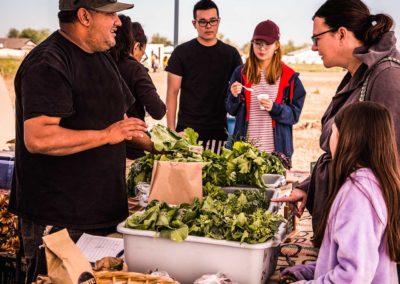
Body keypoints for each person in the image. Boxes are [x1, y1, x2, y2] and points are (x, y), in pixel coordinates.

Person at [8, 1, 153, 282]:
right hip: (59, 222)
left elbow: (121, 122)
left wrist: (161, 147)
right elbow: (38, 137)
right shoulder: (48, 62)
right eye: (110, 14)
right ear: (84, 16)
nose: (119, 22)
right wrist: (106, 135)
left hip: (101, 217)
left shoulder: (101, 56)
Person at [272, 0, 400, 230]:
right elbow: (345, 153)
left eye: (316, 38)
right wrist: (308, 187)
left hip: (363, 234)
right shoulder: (358, 74)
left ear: (341, 34)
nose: (313, 47)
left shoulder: (387, 77)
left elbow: (388, 165)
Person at [280, 102, 400, 283]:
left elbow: (352, 276)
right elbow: (355, 259)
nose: (329, 140)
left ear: (348, 138)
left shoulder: (359, 195)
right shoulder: (376, 182)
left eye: (333, 132)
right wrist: (310, 271)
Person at [166, 0, 242, 154]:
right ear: (194, 23)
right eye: (203, 22)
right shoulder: (181, 53)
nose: (208, 26)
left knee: (213, 177)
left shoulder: (231, 54)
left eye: (213, 21)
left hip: (218, 131)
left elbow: (241, 91)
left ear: (218, 21)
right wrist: (171, 132)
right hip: (186, 133)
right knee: (186, 177)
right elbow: (172, 93)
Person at [225, 20, 306, 165]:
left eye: (267, 44)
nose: (262, 48)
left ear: (276, 46)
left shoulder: (289, 77)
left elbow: (294, 116)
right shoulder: (241, 73)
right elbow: (231, 109)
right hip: (245, 153)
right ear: (252, 44)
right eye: (258, 43)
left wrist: (275, 108)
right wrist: (234, 96)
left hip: (276, 154)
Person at [110, 15, 166, 159]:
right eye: (142, 52)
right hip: (133, 149)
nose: (141, 57)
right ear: (136, 46)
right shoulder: (135, 69)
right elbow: (158, 111)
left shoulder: (102, 63)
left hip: (105, 149)